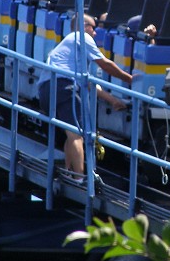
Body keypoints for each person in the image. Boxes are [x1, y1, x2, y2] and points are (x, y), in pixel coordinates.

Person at [38, 14, 132, 176]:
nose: (95, 33)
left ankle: (69, 172)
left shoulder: (70, 50)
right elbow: (105, 64)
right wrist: (130, 79)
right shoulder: (80, 36)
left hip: (47, 90)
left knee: (70, 133)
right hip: (63, 86)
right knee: (77, 135)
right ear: (82, 26)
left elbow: (89, 83)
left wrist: (113, 100)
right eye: (92, 28)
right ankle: (80, 178)